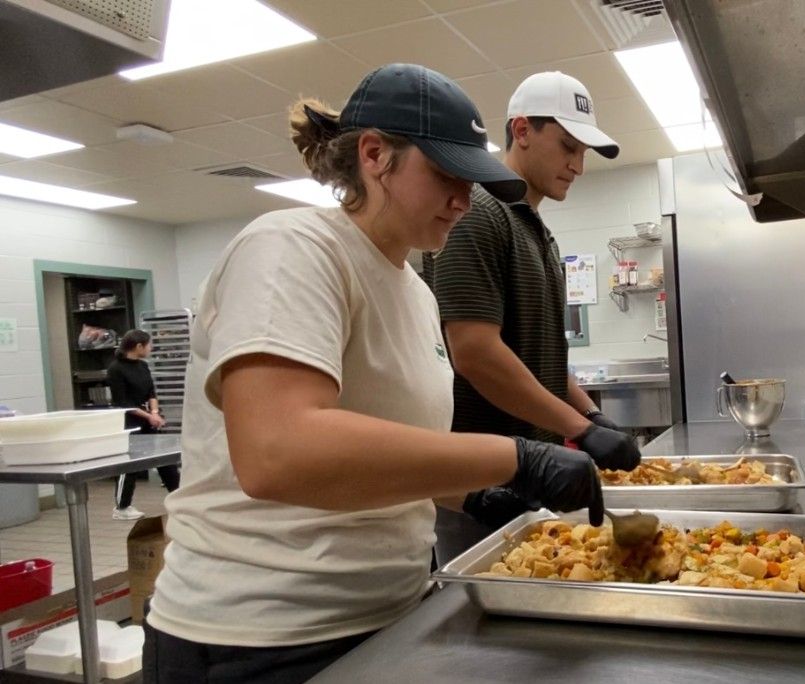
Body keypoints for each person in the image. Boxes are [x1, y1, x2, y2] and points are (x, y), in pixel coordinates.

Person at [142, 64, 604, 684]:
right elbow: (278, 452)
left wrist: (473, 495)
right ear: (374, 155)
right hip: (260, 637)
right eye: (446, 175)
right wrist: (514, 457)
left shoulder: (416, 293)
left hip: (390, 615)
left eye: (473, 182)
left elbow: (378, 449)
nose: (464, 201)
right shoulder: (293, 248)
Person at [424, 71, 640, 564]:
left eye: (584, 152)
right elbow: (476, 353)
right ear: (521, 130)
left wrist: (591, 414)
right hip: (481, 490)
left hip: (534, 475)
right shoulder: (476, 214)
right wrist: (582, 432)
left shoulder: (536, 232)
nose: (578, 166)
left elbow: (538, 358)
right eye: (568, 146)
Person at [106, 329, 180, 520]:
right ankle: (122, 507)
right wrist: (148, 416)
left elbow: (151, 393)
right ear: (138, 346)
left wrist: (154, 413)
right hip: (130, 421)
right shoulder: (116, 369)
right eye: (149, 344)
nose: (151, 348)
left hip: (148, 418)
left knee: (164, 460)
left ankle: (178, 498)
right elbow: (123, 403)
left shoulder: (143, 366)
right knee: (130, 464)